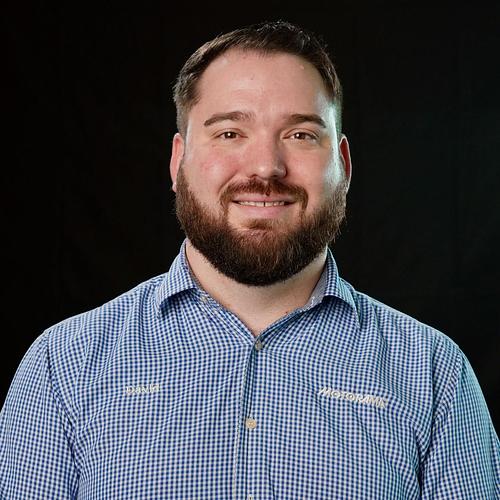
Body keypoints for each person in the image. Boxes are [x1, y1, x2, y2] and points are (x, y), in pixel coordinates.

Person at [1, 21, 499, 500]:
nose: (266, 167)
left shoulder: (434, 373)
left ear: (343, 166)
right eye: (229, 133)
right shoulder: (62, 365)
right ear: (178, 162)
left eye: (301, 134)